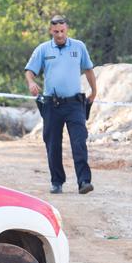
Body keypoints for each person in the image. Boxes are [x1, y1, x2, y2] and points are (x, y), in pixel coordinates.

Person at [24, 15, 97, 194]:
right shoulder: (43, 49)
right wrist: (31, 83)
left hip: (74, 104)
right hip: (52, 104)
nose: (59, 35)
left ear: (67, 29)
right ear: (51, 31)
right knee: (53, 144)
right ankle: (57, 181)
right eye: (56, 31)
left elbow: (88, 69)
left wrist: (94, 91)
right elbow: (29, 71)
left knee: (79, 141)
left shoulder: (79, 47)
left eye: (62, 31)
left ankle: (84, 181)